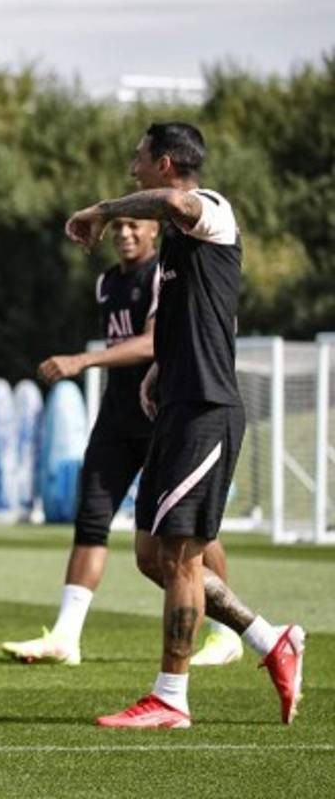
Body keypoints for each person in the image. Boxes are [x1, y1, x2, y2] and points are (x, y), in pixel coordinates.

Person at [66, 122, 304, 729]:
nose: (131, 166)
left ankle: (171, 697)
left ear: (166, 162)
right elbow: (193, 316)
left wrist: (99, 209)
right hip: (176, 402)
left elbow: (173, 202)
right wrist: (156, 372)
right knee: (151, 556)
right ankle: (270, 638)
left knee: (179, 556)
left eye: (138, 157)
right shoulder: (177, 243)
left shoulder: (212, 211)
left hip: (207, 410)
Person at [1, 217, 243, 667]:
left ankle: (226, 632)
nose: (124, 234)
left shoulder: (163, 274)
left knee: (190, 533)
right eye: (118, 228)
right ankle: (66, 636)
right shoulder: (107, 282)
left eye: (135, 225)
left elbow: (154, 344)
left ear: (154, 231)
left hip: (162, 415)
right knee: (91, 518)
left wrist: (82, 360)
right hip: (116, 417)